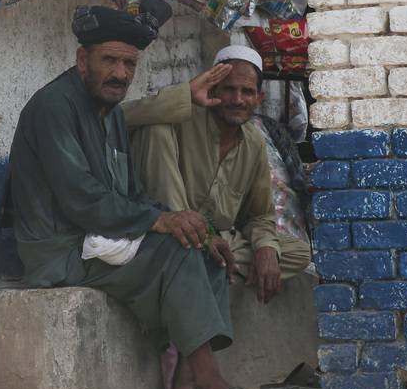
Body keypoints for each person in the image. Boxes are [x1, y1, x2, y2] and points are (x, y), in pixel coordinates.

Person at [8, 0, 281, 389]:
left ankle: (187, 384)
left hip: (99, 237)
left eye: (129, 65)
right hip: (62, 248)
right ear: (84, 60)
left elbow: (132, 191)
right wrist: (160, 220)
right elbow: (82, 199)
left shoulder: (111, 112)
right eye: (110, 61)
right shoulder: (53, 108)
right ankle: (212, 386)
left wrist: (193, 226)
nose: (120, 74)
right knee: (176, 254)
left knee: (202, 248)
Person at [122, 45, 312, 306]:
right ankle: (201, 256)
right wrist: (186, 94)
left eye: (247, 92)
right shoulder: (178, 120)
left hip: (218, 242)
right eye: (229, 89)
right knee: (154, 128)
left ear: (259, 98)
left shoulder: (254, 142)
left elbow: (259, 215)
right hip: (166, 231)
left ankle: (210, 262)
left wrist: (266, 248)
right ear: (213, 90)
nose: (237, 100)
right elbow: (119, 118)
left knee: (297, 252)